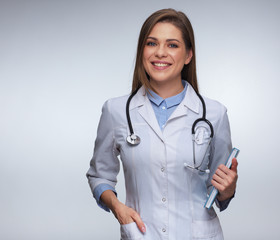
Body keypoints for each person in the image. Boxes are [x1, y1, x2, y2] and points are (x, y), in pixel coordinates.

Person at [86, 8, 238, 240]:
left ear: (188, 55)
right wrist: (118, 208)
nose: (160, 53)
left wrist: (227, 191)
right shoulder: (115, 111)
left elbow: (218, 191)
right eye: (151, 43)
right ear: (142, 51)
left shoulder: (214, 114)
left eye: (172, 45)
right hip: (142, 233)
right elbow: (99, 176)